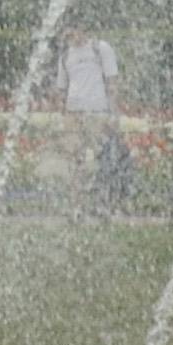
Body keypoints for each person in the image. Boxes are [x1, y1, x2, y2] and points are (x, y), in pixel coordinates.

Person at [61, 25, 130, 208]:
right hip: (74, 112)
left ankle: (103, 201)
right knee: (75, 158)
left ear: (84, 28)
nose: (73, 35)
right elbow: (62, 86)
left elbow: (112, 81)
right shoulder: (66, 55)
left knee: (102, 157)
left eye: (76, 29)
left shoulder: (100, 49)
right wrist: (63, 114)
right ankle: (76, 203)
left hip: (97, 111)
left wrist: (113, 112)